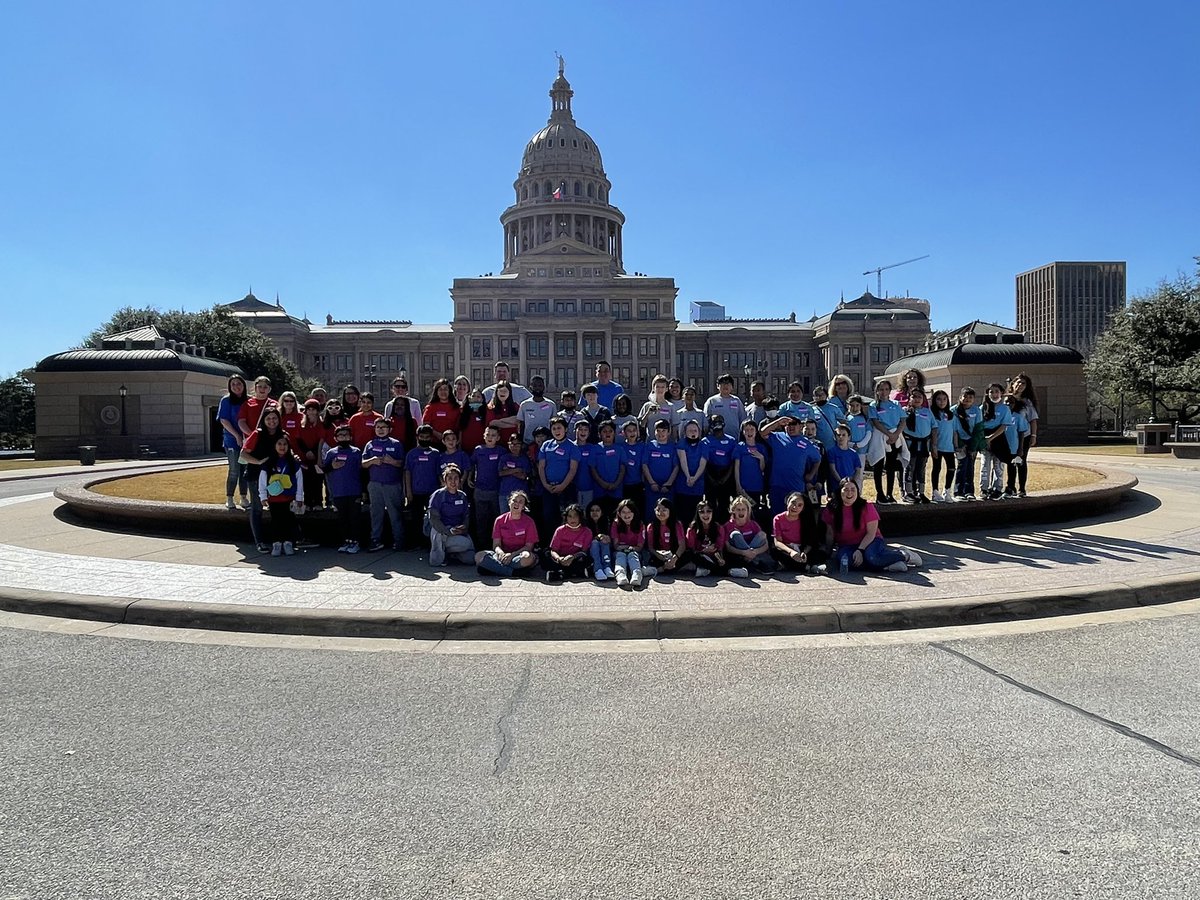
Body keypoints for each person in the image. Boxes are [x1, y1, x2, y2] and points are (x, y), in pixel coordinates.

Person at [823, 478, 921, 573]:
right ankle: (887, 565)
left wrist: (860, 550)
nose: (850, 493)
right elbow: (830, 534)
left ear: (858, 491)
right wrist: (827, 553)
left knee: (871, 557)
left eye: (853, 489)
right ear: (840, 492)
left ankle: (905, 555)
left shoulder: (866, 506)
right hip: (847, 545)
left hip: (870, 541)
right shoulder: (832, 509)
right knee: (845, 561)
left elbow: (871, 533)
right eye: (846, 490)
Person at [240, 406, 286, 552]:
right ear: (264, 420)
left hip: (275, 478)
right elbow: (243, 454)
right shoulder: (257, 434)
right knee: (257, 507)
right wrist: (259, 462)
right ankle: (259, 541)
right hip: (256, 476)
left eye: (274, 418)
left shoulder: (283, 434)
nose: (272, 421)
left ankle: (279, 539)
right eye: (268, 418)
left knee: (278, 508)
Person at [760, 413, 822, 516]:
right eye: (788, 424)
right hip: (777, 485)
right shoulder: (778, 437)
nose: (791, 427)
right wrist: (778, 422)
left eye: (794, 424)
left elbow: (818, 459)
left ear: (800, 426)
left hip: (796, 486)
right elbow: (762, 432)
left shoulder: (806, 443)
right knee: (776, 515)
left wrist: (811, 475)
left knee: (796, 516)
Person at [361, 417, 405, 552]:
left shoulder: (396, 444)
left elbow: (402, 464)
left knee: (395, 513)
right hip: (375, 484)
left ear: (389, 429)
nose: (380, 430)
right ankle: (376, 539)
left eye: (383, 427)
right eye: (378, 427)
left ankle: (399, 540)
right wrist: (372, 461)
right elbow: (363, 463)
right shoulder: (370, 444)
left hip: (392, 484)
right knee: (376, 513)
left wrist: (392, 462)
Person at [259, 434, 305, 557]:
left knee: (288, 521)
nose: (282, 447)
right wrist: (263, 496)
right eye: (279, 444)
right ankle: (276, 544)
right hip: (274, 499)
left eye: (285, 444)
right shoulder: (268, 462)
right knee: (276, 522)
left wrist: (299, 498)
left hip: (289, 499)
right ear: (274, 446)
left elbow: (299, 480)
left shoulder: (293, 462)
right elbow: (262, 479)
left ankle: (288, 543)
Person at [476, 491, 539, 576]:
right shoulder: (499, 520)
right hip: (502, 555)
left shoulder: (529, 522)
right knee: (478, 556)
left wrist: (512, 555)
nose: (517, 504)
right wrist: (501, 553)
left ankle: (495, 568)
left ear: (524, 507)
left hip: (518, 555)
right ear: (509, 502)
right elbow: (496, 545)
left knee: (528, 558)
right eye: (514, 501)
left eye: (520, 502)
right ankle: (513, 572)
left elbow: (529, 547)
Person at [322, 424, 363, 554]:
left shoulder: (356, 452)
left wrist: (363, 492)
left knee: (354, 518)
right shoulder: (331, 452)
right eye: (340, 435)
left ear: (350, 437)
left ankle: (355, 542)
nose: (343, 437)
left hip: (354, 491)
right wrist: (332, 466)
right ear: (335, 438)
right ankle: (346, 541)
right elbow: (324, 470)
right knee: (343, 518)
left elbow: (362, 471)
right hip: (339, 491)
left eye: (346, 435)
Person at [537, 414, 580, 527]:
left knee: (567, 516)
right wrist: (545, 484)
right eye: (554, 428)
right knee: (548, 516)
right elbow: (541, 467)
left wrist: (562, 486)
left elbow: (573, 469)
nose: (557, 431)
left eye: (559, 428)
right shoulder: (546, 445)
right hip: (549, 488)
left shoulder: (572, 447)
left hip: (567, 488)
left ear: (565, 429)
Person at [427, 465, 475, 566]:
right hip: (441, 531)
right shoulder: (438, 495)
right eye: (450, 478)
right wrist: (447, 531)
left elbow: (466, 516)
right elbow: (434, 519)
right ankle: (439, 556)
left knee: (471, 559)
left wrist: (464, 528)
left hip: (457, 530)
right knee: (463, 543)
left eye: (456, 478)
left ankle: (451, 553)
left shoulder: (462, 495)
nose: (453, 482)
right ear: (445, 480)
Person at [867, 379, 905, 504]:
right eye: (881, 389)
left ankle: (890, 493)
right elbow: (876, 422)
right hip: (880, 436)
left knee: (891, 466)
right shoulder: (873, 406)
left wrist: (895, 435)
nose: (884, 392)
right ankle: (880, 494)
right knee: (878, 465)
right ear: (877, 391)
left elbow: (903, 421)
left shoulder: (895, 404)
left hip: (894, 437)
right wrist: (888, 434)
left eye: (886, 389)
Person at [404, 424, 442, 547]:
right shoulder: (411, 453)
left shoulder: (436, 453)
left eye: (427, 437)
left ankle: (430, 543)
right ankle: (416, 542)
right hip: (416, 491)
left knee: (433, 519)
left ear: (431, 438)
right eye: (422, 436)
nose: (424, 439)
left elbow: (439, 474)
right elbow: (407, 472)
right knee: (416, 518)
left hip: (432, 491)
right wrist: (408, 492)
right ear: (417, 437)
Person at [771, 491, 827, 574]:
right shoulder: (778, 519)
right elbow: (777, 542)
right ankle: (808, 566)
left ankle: (798, 565)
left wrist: (804, 552)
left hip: (802, 548)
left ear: (803, 508)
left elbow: (811, 541)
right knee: (774, 551)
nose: (795, 507)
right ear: (788, 502)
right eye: (793, 503)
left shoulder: (806, 519)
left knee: (819, 552)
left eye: (799, 505)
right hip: (787, 548)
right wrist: (791, 552)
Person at [720, 495, 774, 576]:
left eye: (743, 509)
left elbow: (765, 544)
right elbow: (728, 548)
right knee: (735, 533)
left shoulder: (753, 524)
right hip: (738, 554)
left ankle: (751, 560)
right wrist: (744, 552)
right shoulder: (728, 526)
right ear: (733, 511)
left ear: (748, 511)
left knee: (762, 534)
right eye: (738, 509)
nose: (741, 512)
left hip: (753, 553)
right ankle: (756, 562)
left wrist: (754, 552)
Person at [216, 375, 249, 510]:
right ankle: (229, 497)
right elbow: (224, 420)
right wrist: (237, 436)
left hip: (247, 441)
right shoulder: (226, 400)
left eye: (239, 383)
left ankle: (243, 496)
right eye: (233, 384)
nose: (236, 386)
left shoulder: (249, 400)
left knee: (244, 470)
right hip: (232, 440)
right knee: (234, 469)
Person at [469, 424, 505, 546]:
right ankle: (481, 546)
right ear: (484, 436)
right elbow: (471, 465)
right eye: (488, 434)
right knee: (481, 519)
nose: (490, 437)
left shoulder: (501, 451)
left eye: (493, 435)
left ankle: (495, 545)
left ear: (498, 438)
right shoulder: (478, 449)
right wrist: (469, 478)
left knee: (495, 519)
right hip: (480, 490)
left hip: (496, 490)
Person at [1005, 373, 1039, 498]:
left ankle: (1022, 489)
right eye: (1018, 382)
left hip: (1024, 436)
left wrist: (1033, 436)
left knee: (1021, 460)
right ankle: (1010, 487)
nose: (1020, 385)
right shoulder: (1005, 399)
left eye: (1023, 383)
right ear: (1013, 383)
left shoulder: (1027, 402)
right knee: (1010, 461)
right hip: (1008, 436)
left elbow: (1033, 420)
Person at [980, 383, 1015, 501]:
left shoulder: (1005, 408)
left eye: (996, 391)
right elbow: (979, 425)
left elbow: (1004, 426)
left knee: (998, 465)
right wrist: (986, 439)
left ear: (1001, 393)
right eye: (991, 392)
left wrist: (991, 438)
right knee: (985, 465)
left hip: (998, 437)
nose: (994, 394)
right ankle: (984, 489)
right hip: (984, 437)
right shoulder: (982, 407)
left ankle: (997, 489)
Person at [542, 503, 594, 582]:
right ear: (566, 517)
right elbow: (553, 550)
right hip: (560, 559)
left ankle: (560, 574)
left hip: (575, 559)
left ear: (580, 517)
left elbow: (584, 552)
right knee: (545, 556)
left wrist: (572, 557)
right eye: (569, 516)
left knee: (587, 560)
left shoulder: (587, 531)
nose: (572, 519)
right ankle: (574, 573)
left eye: (575, 516)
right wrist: (559, 559)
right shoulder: (560, 530)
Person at [701, 414, 737, 520]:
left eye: (719, 421)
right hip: (710, 474)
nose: (717, 423)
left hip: (726, 474)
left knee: (724, 504)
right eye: (714, 421)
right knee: (710, 504)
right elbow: (704, 463)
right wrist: (711, 478)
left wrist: (725, 477)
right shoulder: (705, 441)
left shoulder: (731, 440)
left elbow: (733, 462)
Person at [901, 387, 933, 503]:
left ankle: (921, 492)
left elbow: (934, 427)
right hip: (910, 444)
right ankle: (908, 492)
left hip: (924, 444)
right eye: (914, 396)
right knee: (909, 468)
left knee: (921, 469)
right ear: (909, 398)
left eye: (920, 397)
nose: (917, 399)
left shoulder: (927, 412)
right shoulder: (904, 411)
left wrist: (933, 445)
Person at [641, 420, 678, 520]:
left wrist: (668, 484)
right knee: (651, 513)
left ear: (669, 432)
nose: (661, 433)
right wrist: (652, 483)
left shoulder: (673, 447)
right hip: (652, 487)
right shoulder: (649, 446)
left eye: (664, 430)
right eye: (658, 430)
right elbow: (644, 464)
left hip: (667, 488)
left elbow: (676, 467)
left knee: (667, 514)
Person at [951, 387, 984, 501]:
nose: (967, 399)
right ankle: (958, 492)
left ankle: (969, 491)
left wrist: (973, 447)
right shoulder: (954, 411)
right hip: (959, 441)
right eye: (965, 396)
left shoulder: (977, 410)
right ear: (960, 397)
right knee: (961, 465)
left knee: (970, 466)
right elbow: (953, 430)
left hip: (972, 441)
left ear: (974, 399)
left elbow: (978, 429)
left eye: (970, 397)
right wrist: (959, 445)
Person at [675, 419, 707, 526]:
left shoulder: (704, 444)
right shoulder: (681, 443)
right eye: (690, 430)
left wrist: (695, 478)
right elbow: (683, 460)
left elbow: (703, 463)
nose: (693, 433)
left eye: (695, 430)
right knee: (683, 513)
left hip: (698, 485)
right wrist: (688, 476)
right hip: (683, 483)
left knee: (695, 514)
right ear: (685, 432)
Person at [644, 498, 686, 580]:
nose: (660, 513)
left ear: (670, 510)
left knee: (689, 555)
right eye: (658, 509)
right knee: (652, 560)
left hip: (674, 554)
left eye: (664, 510)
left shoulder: (677, 524)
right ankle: (665, 568)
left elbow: (682, 545)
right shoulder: (651, 526)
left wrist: (674, 558)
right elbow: (650, 547)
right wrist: (659, 555)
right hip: (660, 555)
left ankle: (661, 569)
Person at [296, 399, 326, 510]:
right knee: (306, 480)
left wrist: (315, 454)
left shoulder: (321, 424)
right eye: (309, 409)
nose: (311, 412)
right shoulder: (302, 424)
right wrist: (306, 452)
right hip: (305, 456)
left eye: (314, 409)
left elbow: (321, 440)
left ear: (318, 411)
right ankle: (308, 502)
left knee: (317, 480)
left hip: (317, 456)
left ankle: (318, 502)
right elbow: (299, 439)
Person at [686, 500, 728, 578]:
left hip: (713, 556)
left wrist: (719, 557)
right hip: (699, 556)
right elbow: (691, 549)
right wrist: (703, 551)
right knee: (691, 556)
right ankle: (715, 570)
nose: (705, 514)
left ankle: (708, 569)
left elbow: (720, 547)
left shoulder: (719, 528)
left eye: (708, 511)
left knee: (725, 559)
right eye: (702, 512)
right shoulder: (692, 529)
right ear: (698, 514)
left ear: (713, 512)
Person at [610, 498, 646, 589]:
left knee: (632, 556)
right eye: (624, 512)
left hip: (635, 552)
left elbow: (640, 546)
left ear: (634, 513)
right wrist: (627, 547)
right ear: (619, 513)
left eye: (629, 512)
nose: (627, 515)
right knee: (620, 556)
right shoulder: (615, 524)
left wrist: (630, 548)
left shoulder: (640, 524)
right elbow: (616, 545)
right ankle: (620, 575)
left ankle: (637, 574)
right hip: (620, 552)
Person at [929, 390, 957, 502]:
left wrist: (956, 446)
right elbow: (933, 431)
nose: (942, 402)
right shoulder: (932, 414)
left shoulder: (951, 415)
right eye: (939, 399)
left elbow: (954, 431)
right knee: (937, 468)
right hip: (937, 446)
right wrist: (933, 446)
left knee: (951, 468)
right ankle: (935, 492)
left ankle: (947, 490)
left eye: (944, 399)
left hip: (949, 447)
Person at [589, 421, 624, 510]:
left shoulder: (619, 449)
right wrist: (602, 483)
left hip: (616, 490)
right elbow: (593, 468)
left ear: (614, 433)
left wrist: (616, 484)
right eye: (604, 431)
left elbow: (622, 468)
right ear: (599, 434)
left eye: (610, 431)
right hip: (599, 490)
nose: (607, 433)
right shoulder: (595, 448)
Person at [383, 376, 422, 450]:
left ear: (406, 389)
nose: (400, 389)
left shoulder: (415, 403)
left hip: (409, 440)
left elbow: (419, 423)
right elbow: (386, 423)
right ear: (392, 389)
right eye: (397, 386)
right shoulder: (389, 405)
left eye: (403, 387)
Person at [825, 424, 863, 497]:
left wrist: (852, 483)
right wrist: (841, 483)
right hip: (835, 486)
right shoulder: (832, 452)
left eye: (843, 435)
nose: (841, 437)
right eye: (838, 435)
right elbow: (832, 469)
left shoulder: (853, 453)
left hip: (849, 487)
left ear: (849, 437)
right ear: (835, 437)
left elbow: (858, 470)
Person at [619, 420, 646, 517]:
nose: (632, 433)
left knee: (638, 511)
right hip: (624, 485)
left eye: (634, 430)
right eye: (629, 431)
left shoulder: (642, 446)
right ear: (624, 433)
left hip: (638, 484)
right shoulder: (620, 447)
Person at [517, 375, 556, 442]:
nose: (537, 388)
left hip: (546, 442)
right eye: (535, 386)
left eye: (540, 386)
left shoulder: (551, 405)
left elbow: (554, 424)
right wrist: (521, 441)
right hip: (528, 441)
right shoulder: (524, 404)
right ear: (530, 387)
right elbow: (521, 424)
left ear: (544, 387)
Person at [498, 434, 531, 510]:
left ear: (521, 445)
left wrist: (508, 470)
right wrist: (516, 470)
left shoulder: (524, 459)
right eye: (512, 444)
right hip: (504, 493)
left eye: (517, 444)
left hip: (520, 494)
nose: (514, 446)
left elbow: (523, 476)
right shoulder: (504, 457)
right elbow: (501, 473)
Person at [237, 375, 277, 440]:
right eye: (260, 386)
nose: (262, 389)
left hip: (270, 439)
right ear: (255, 388)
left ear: (269, 389)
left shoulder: (275, 404)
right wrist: (252, 435)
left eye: (265, 387)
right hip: (252, 440)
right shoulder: (247, 404)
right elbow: (241, 422)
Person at [586, 501, 614, 582]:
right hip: (590, 551)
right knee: (595, 543)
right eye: (592, 510)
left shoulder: (607, 522)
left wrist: (607, 537)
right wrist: (596, 537)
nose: (595, 512)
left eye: (597, 510)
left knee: (604, 541)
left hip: (605, 550)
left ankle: (607, 567)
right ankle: (598, 569)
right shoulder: (585, 524)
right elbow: (586, 541)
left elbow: (612, 540)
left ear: (601, 512)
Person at [572, 420, 596, 510]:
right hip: (571, 488)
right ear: (575, 431)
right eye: (580, 429)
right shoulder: (570, 446)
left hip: (588, 487)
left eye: (586, 430)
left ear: (589, 433)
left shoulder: (592, 448)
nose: (583, 432)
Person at [458, 387, 488, 453]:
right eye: (473, 396)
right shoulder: (462, 412)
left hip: (482, 449)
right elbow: (460, 430)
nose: (475, 398)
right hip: (466, 448)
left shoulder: (486, 413)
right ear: (469, 398)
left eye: (478, 396)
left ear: (482, 399)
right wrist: (459, 445)